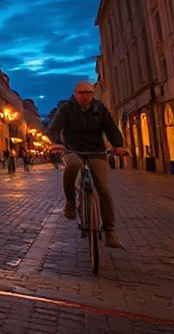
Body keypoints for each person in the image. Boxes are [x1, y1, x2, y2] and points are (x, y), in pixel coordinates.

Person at [48, 81, 129, 248]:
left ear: (93, 94)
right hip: (72, 149)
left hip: (96, 151)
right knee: (73, 165)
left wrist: (118, 145)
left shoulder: (99, 109)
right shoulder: (67, 108)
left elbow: (111, 128)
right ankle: (71, 202)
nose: (84, 96)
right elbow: (55, 128)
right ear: (75, 94)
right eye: (80, 93)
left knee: (103, 189)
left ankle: (110, 232)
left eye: (88, 93)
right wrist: (56, 143)